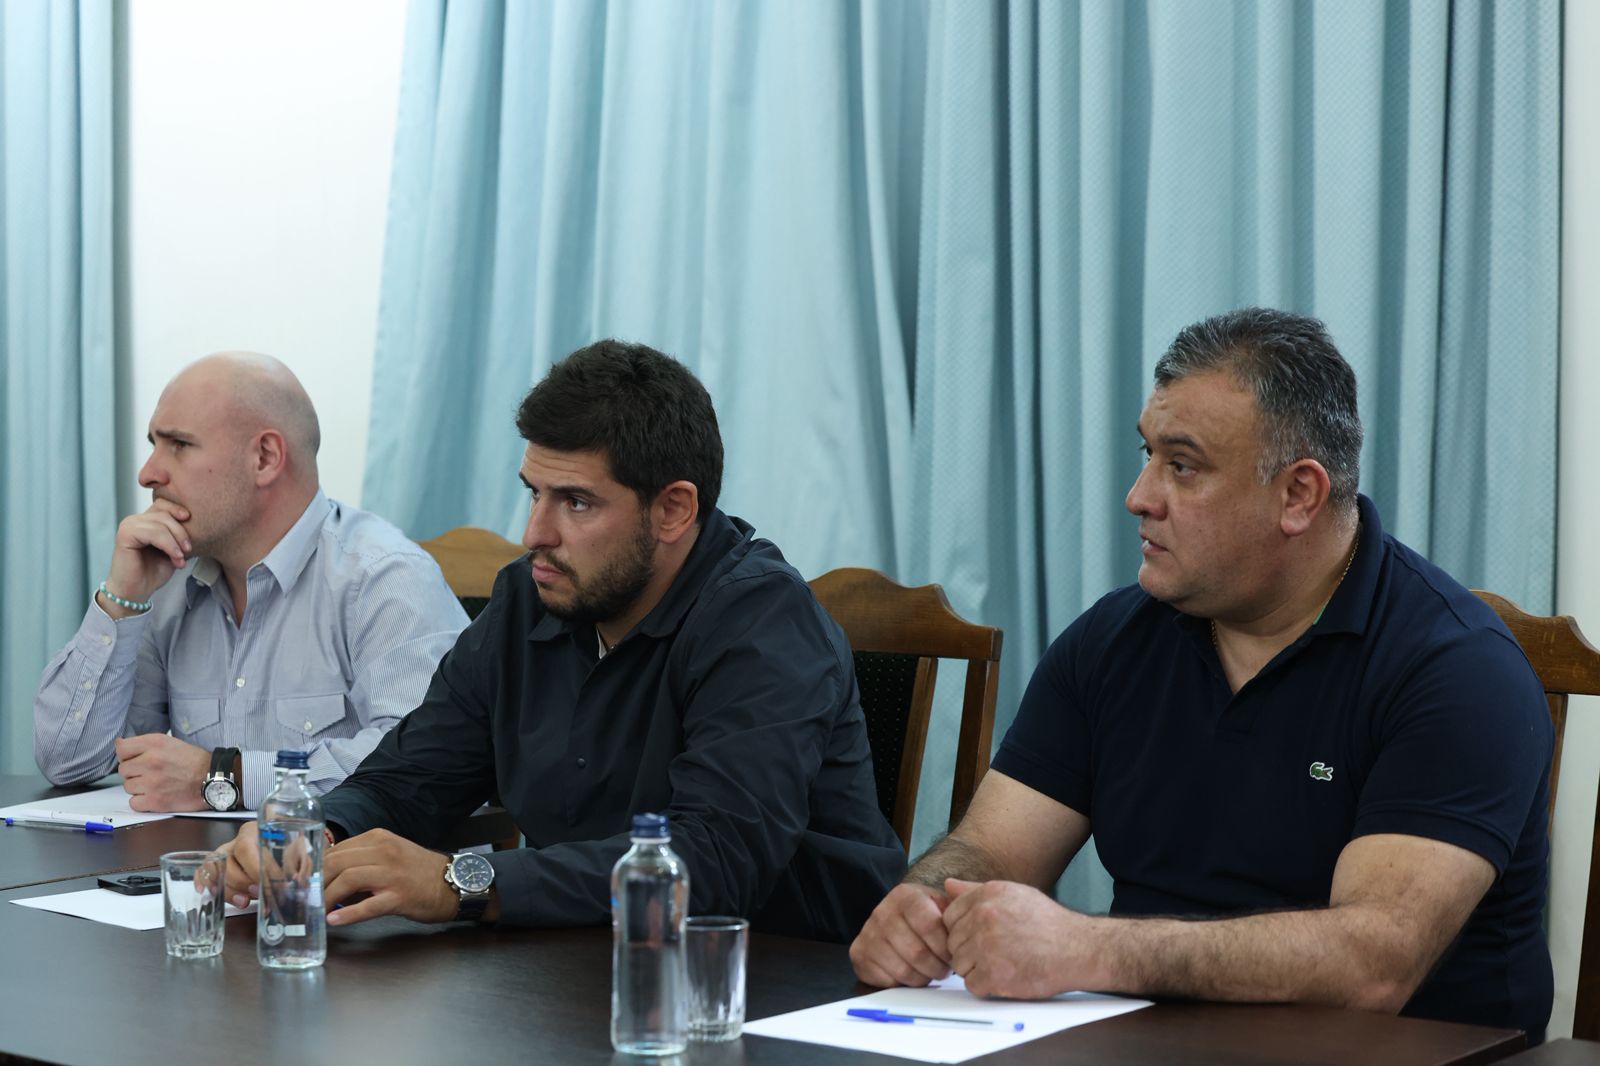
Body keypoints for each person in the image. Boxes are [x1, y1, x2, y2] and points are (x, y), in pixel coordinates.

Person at [849, 308, 1553, 1040]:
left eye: (1182, 466)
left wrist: (1088, 949)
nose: (1139, 496)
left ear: (1298, 495)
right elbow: (992, 850)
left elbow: (1372, 964)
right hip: (1149, 1044)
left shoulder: (1457, 668)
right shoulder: (1112, 640)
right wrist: (923, 906)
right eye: (1148, 454)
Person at [221, 340, 905, 942]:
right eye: (534, 493)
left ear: (673, 510)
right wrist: (317, 832)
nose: (534, 534)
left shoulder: (763, 621)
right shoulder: (530, 597)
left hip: (788, 977)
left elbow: (716, 861)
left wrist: (465, 882)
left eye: (575, 502)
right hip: (580, 962)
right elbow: (415, 775)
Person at [34, 352, 467, 812]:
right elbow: (69, 763)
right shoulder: (169, 583)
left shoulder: (384, 578)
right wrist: (122, 598)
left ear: (265, 458)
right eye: (153, 444)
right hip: (203, 858)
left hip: (339, 859)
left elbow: (426, 766)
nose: (148, 473)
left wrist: (225, 777)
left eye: (179, 444)